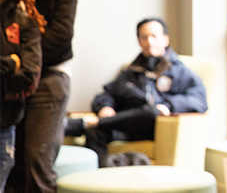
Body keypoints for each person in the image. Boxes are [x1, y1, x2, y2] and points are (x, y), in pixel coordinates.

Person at [3, 0, 77, 193]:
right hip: (7, 78)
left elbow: (62, 31)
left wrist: (27, 59)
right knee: (10, 164)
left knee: (37, 161)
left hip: (48, 77)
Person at [65, 18, 208, 167]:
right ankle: (101, 181)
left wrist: (168, 106)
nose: (149, 42)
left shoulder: (180, 72)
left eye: (154, 36)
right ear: (139, 41)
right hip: (127, 127)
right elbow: (106, 94)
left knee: (151, 112)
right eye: (144, 37)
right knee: (95, 132)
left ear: (165, 40)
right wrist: (105, 107)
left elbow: (199, 100)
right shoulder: (131, 71)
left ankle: (85, 124)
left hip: (157, 128)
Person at [0, 0, 46, 191]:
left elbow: (29, 75)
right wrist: (10, 63)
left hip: (4, 124)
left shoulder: (25, 20)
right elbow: (17, 68)